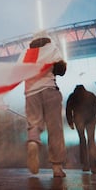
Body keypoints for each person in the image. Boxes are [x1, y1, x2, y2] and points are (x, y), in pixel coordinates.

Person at [18, 31, 67, 178]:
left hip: (31, 92)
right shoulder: (51, 47)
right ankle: (57, 168)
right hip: (49, 89)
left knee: (34, 123)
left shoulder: (26, 52)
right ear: (47, 38)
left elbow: (18, 72)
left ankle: (33, 142)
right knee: (55, 128)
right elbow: (61, 69)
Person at [66, 84, 96, 174]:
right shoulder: (91, 95)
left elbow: (68, 109)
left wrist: (70, 122)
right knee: (91, 141)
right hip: (91, 120)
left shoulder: (72, 96)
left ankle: (85, 165)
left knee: (82, 140)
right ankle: (94, 166)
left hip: (79, 120)